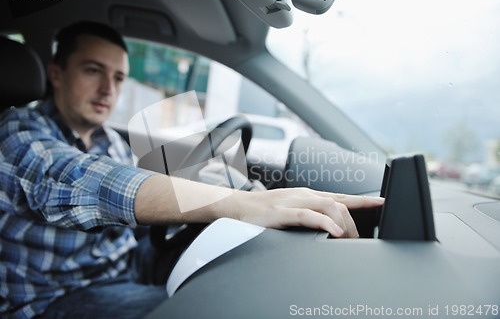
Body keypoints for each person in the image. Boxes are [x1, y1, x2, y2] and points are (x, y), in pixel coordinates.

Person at [0, 21, 384, 319]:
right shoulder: (17, 133)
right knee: (219, 309)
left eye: (117, 77)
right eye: (92, 70)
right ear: (55, 74)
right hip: (58, 297)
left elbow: (143, 183)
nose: (107, 89)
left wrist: (236, 190)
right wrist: (237, 204)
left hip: (123, 266)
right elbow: (82, 179)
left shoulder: (109, 141)